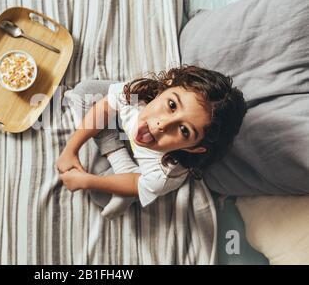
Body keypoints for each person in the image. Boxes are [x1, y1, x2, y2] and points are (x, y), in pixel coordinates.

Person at [56, 65, 247, 219]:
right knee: (85, 92)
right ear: (166, 85)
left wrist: (88, 181)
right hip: (127, 121)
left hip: (141, 169)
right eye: (172, 105)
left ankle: (122, 164)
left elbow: (134, 183)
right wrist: (70, 150)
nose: (161, 125)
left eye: (184, 130)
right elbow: (105, 107)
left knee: (98, 194)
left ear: (195, 148)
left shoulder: (164, 174)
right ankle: (120, 159)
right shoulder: (139, 97)